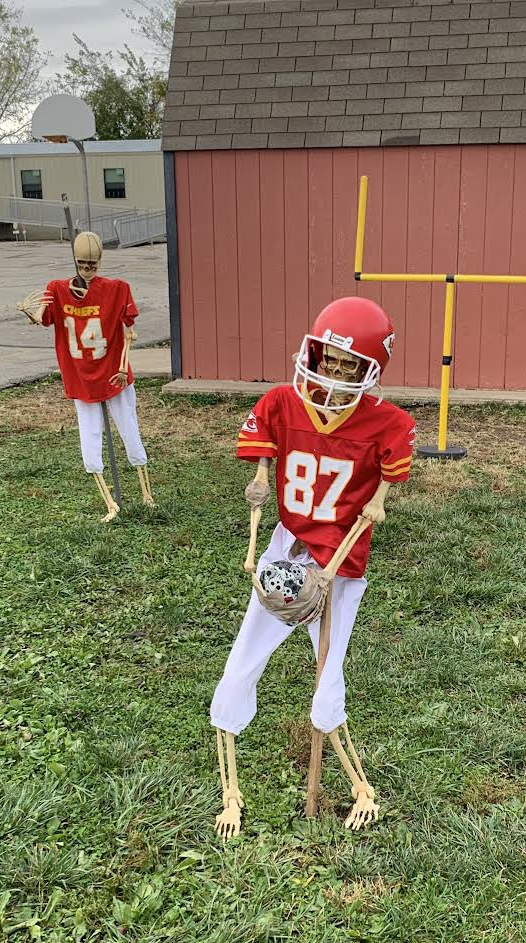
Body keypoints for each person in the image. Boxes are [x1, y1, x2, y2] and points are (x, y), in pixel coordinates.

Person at [211, 296, 416, 839]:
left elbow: (384, 487)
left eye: (347, 363)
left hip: (340, 562)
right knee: (244, 656)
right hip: (289, 542)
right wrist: (259, 481)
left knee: (329, 674)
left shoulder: (387, 423)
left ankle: (359, 786)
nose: (333, 370)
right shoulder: (283, 402)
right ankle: (231, 789)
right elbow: (264, 451)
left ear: (368, 369)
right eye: (328, 357)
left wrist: (374, 507)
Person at [17, 231, 154, 520]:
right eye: (83, 264)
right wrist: (31, 313)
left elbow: (130, 330)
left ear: (100, 262)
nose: (88, 270)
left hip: (112, 373)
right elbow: (43, 317)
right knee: (90, 435)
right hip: (81, 375)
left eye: (92, 264)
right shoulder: (56, 289)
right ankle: (110, 503)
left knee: (129, 426)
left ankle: (146, 493)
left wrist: (122, 363)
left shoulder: (117, 289)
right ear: (76, 262)